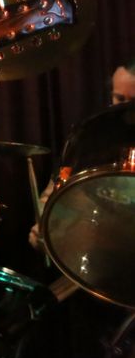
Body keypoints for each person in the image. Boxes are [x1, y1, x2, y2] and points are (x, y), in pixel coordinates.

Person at [28, 59, 135, 249]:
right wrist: (46, 224)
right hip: (93, 249)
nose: (124, 109)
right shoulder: (90, 137)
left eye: (133, 102)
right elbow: (56, 191)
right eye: (119, 99)